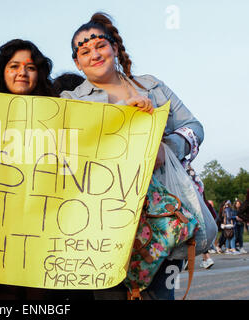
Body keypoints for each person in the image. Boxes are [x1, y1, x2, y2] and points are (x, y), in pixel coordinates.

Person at [60, 12, 204, 300]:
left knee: (163, 295)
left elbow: (194, 127)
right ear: (77, 62)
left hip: (162, 220)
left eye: (100, 45)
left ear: (114, 47)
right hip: (103, 224)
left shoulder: (152, 86)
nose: (94, 54)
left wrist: (167, 149)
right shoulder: (70, 100)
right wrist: (125, 118)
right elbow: (71, 153)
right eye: (84, 51)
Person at [0, 39, 62, 300]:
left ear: (39, 72)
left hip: (45, 234)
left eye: (30, 67)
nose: (22, 73)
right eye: (13, 66)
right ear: (2, 71)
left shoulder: (61, 111)